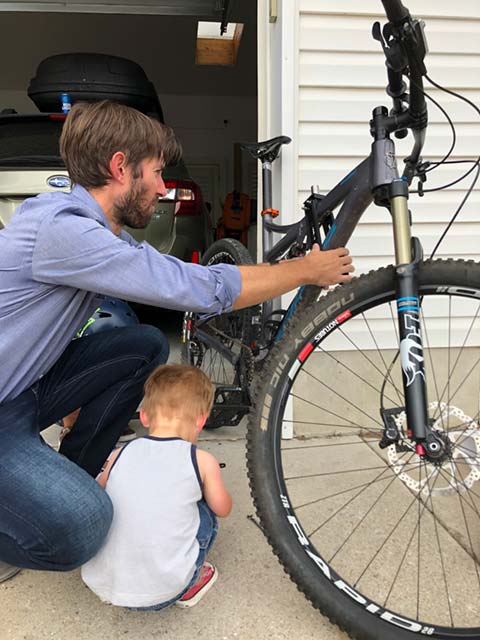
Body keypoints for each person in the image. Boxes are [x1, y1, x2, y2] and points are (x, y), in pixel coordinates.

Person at [0, 99, 354, 583]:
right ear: (121, 167)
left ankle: (71, 471)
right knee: (84, 527)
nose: (164, 188)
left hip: (20, 390)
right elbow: (197, 288)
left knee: (143, 344)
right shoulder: (65, 231)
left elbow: (170, 275)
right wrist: (303, 271)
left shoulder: (91, 227)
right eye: (158, 173)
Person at [81, 363, 231, 609]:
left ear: (144, 416)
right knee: (206, 510)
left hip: (101, 582)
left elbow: (97, 493)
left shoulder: (120, 452)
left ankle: (119, 574)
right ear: (201, 421)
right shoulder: (202, 461)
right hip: (165, 591)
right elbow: (223, 508)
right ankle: (190, 585)